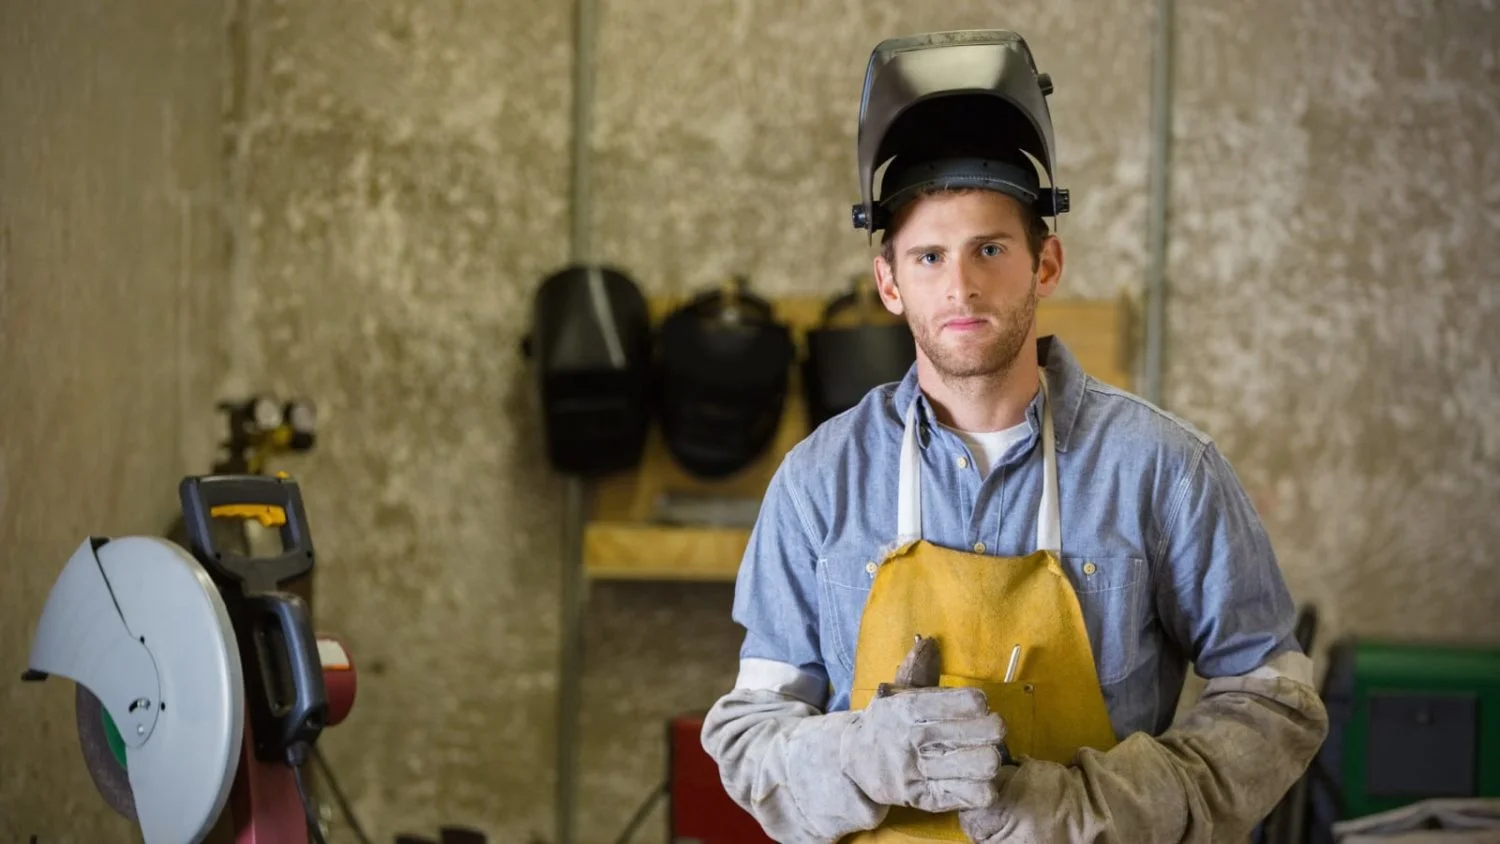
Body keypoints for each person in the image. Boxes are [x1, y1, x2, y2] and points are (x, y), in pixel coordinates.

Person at [700, 30, 1329, 844]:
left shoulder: (1163, 471)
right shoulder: (819, 480)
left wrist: (1096, 809)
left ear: (1046, 264)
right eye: (929, 257)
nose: (960, 286)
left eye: (989, 250)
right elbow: (751, 733)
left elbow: (1274, 700)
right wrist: (858, 757)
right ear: (888, 282)